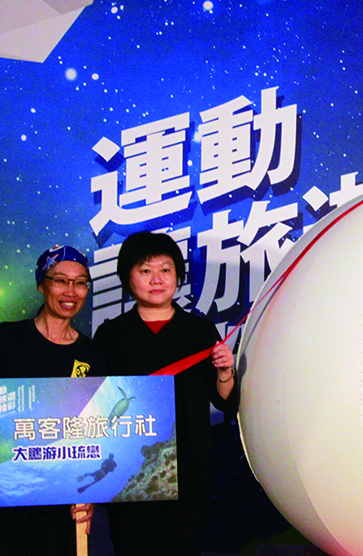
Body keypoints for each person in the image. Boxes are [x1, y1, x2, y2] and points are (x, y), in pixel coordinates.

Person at [93, 232, 238, 556]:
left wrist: (225, 372)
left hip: (188, 470)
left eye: (165, 270)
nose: (156, 280)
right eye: (145, 270)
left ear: (178, 276)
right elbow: (96, 406)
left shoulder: (200, 331)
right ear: (127, 277)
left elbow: (224, 400)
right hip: (130, 470)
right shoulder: (110, 335)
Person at [0, 245, 107, 555]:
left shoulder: (92, 355)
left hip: (60, 495)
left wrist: (89, 490)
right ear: (41, 284)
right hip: (6, 490)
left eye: (80, 282)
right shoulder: (6, 339)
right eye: (60, 280)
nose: (71, 291)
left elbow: (95, 430)